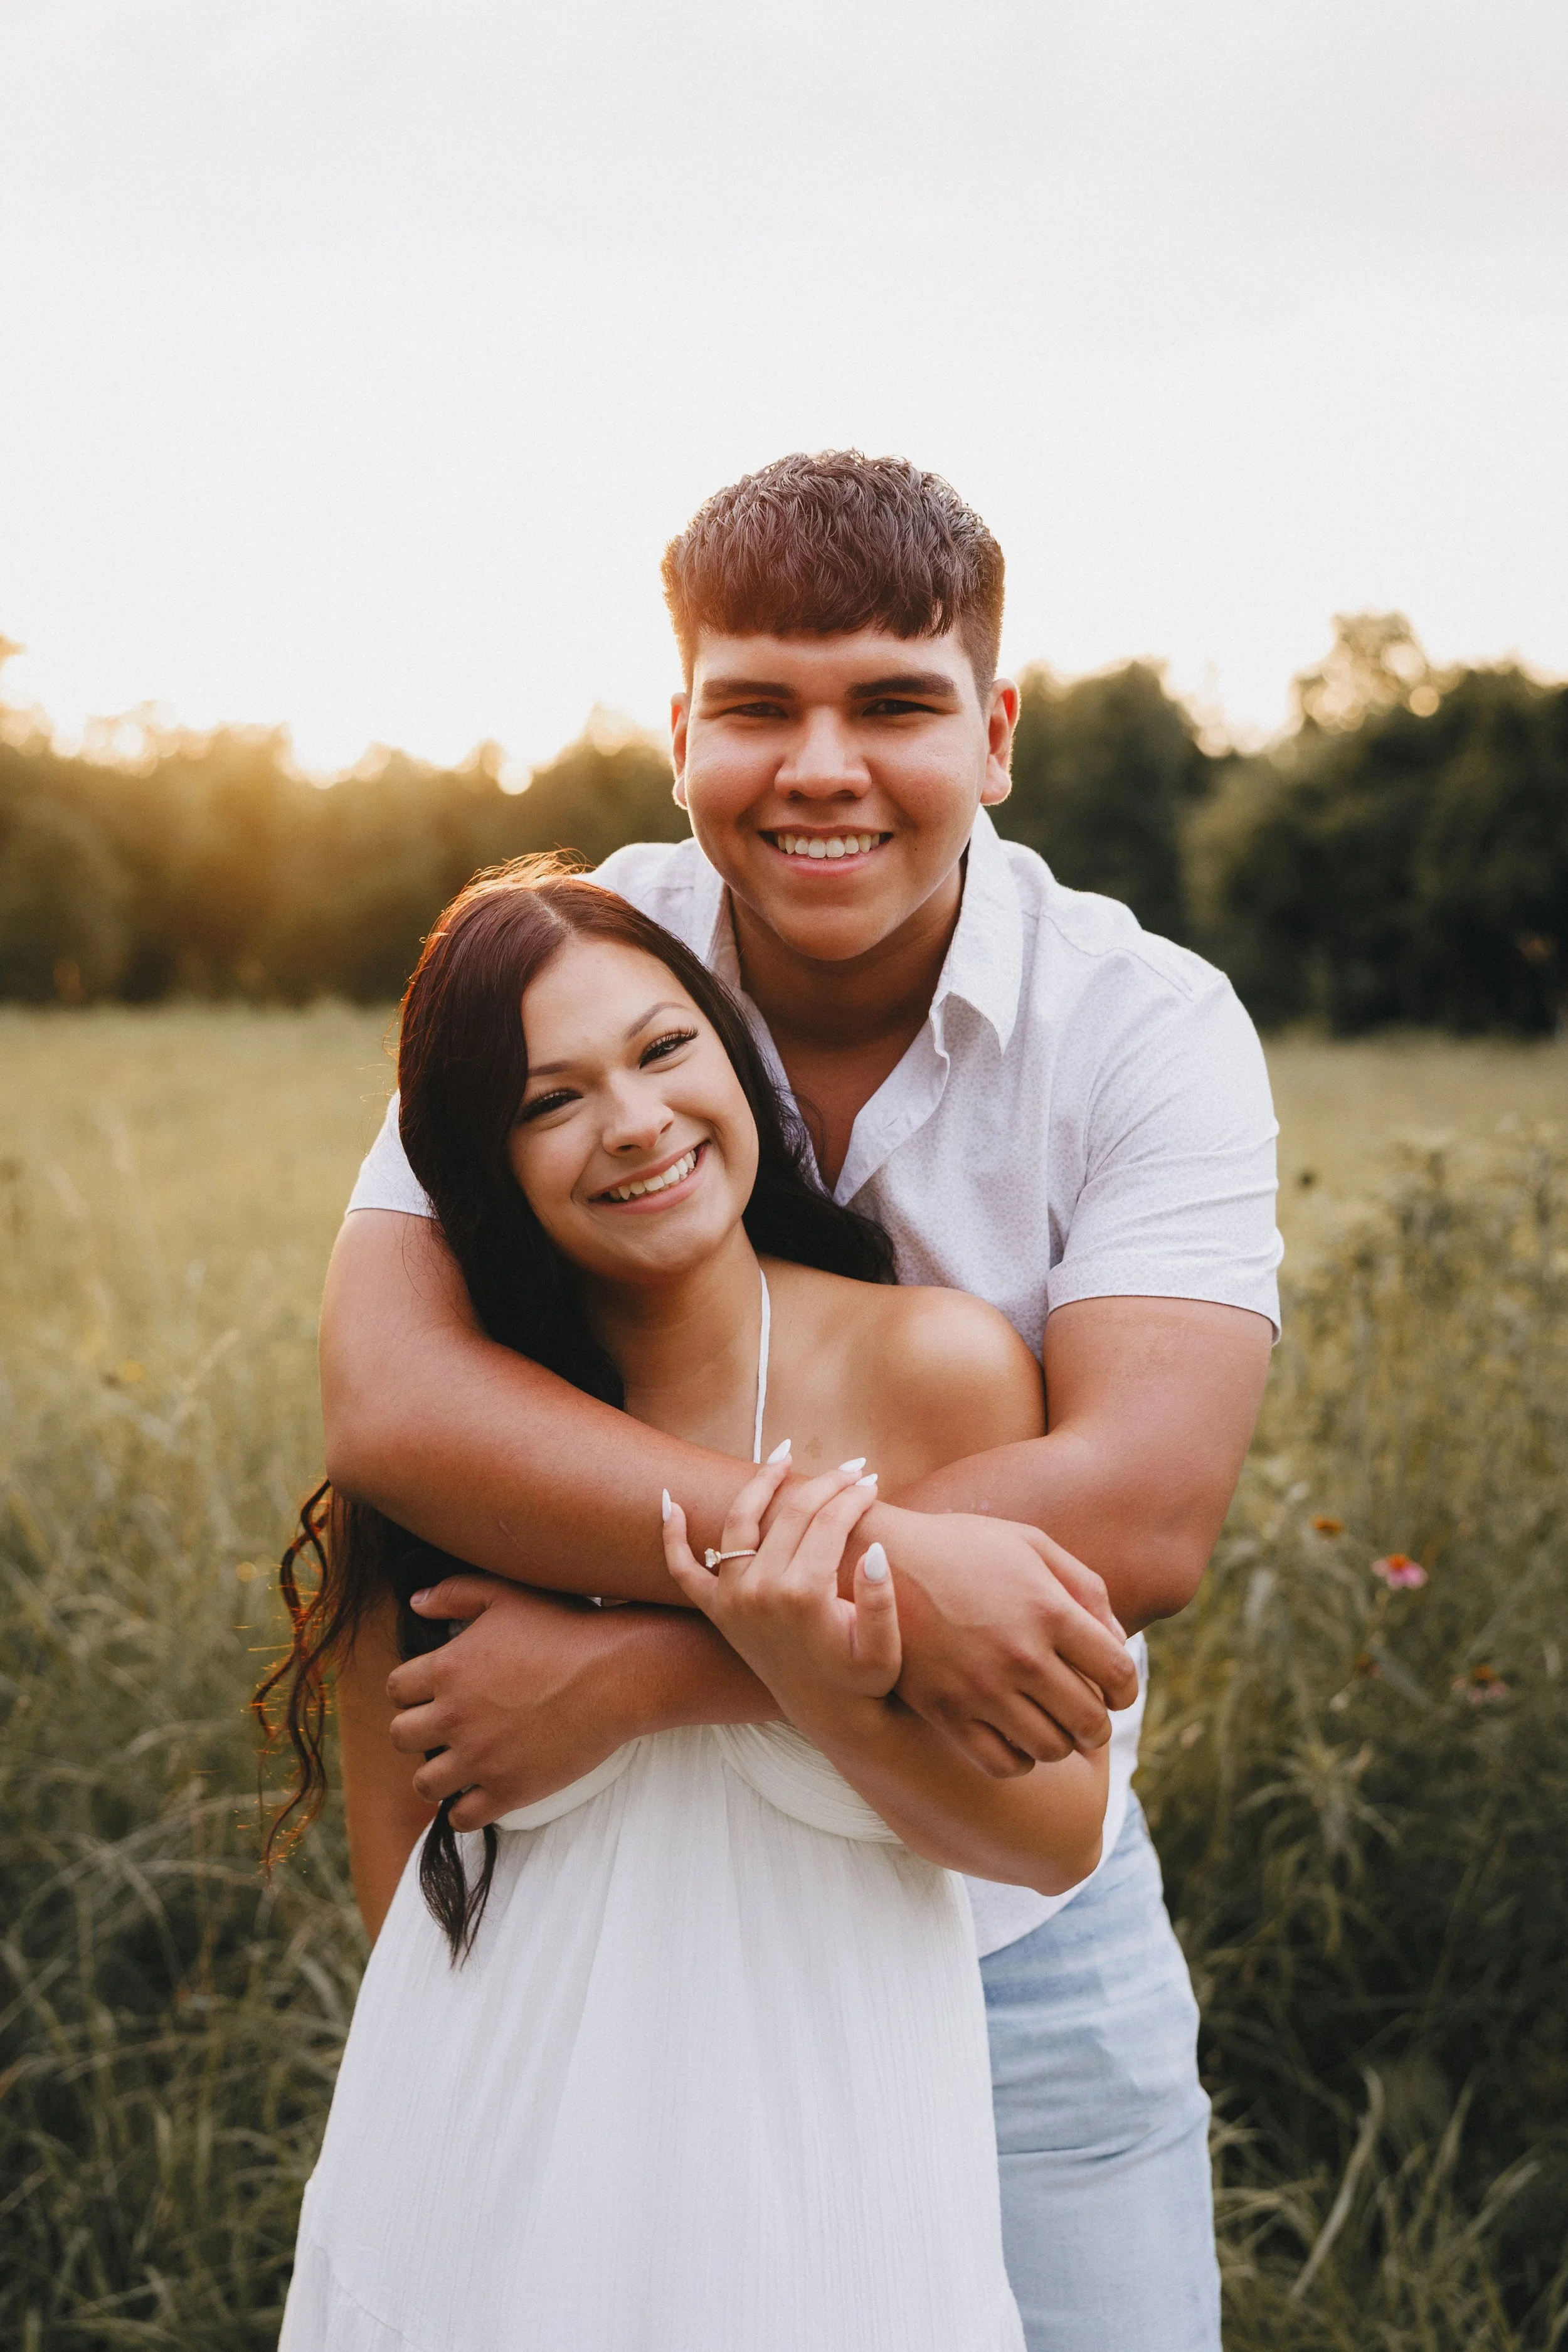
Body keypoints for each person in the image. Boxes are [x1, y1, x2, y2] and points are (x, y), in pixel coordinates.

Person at [325, 452, 1281, 2350]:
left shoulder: (1144, 1023)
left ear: (994, 731)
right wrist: (898, 1568)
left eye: (895, 703)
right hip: (622, 1940)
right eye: (757, 704)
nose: (821, 765)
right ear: (679, 730)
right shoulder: (583, 968)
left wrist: (668, 1665)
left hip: (1016, 1901)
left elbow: (1141, 1510)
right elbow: (400, 1397)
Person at [273, 864, 1112, 2349]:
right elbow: (401, 1887)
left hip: (828, 2181)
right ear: (481, 1163)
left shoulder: (936, 1370)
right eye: (551, 1102)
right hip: (484, 2159)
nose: (637, 1124)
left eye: (664, 1050)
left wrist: (759, 1672)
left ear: (732, 1057)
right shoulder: (459, 1458)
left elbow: (1051, 1833)